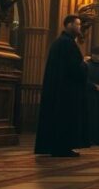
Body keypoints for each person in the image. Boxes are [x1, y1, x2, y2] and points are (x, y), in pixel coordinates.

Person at [35, 15, 88, 157]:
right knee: (65, 117)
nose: (79, 27)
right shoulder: (67, 43)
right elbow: (74, 67)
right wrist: (84, 65)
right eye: (77, 24)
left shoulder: (60, 42)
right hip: (66, 91)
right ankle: (63, 147)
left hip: (60, 88)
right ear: (69, 25)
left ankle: (58, 146)